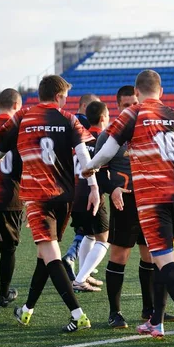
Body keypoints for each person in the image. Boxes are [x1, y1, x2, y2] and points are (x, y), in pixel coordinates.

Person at [83, 70, 174, 345]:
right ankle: (157, 321)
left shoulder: (134, 113)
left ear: (137, 93)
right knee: (158, 256)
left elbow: (107, 152)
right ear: (160, 91)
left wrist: (89, 167)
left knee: (163, 258)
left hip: (152, 196)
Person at [0, 75, 98, 332]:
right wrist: (93, 187)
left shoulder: (23, 116)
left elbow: (2, 145)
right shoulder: (69, 119)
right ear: (59, 97)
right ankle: (27, 310)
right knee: (45, 256)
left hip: (37, 197)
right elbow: (83, 154)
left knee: (50, 255)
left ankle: (78, 314)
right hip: (64, 197)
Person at [96, 85, 174, 328]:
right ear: (118, 106)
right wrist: (113, 189)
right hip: (125, 202)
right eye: (126, 105)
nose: (132, 108)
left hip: (151, 200)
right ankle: (115, 312)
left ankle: (149, 309)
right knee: (120, 255)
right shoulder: (109, 135)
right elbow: (96, 174)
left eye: (135, 103)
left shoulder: (152, 130)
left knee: (150, 255)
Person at [0, 89, 23, 316]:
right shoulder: (19, 130)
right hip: (12, 196)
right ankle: (4, 294)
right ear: (17, 105)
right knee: (8, 248)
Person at [71, 101, 110, 292]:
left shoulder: (80, 139)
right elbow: (104, 173)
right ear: (103, 118)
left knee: (89, 234)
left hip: (75, 195)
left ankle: (83, 275)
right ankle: (80, 279)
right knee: (104, 239)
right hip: (91, 195)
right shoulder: (103, 141)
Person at [62, 93, 102, 275]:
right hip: (84, 181)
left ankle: (82, 265)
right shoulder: (84, 126)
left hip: (70, 181)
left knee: (85, 229)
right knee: (94, 232)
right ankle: (74, 259)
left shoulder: (67, 122)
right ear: (85, 105)